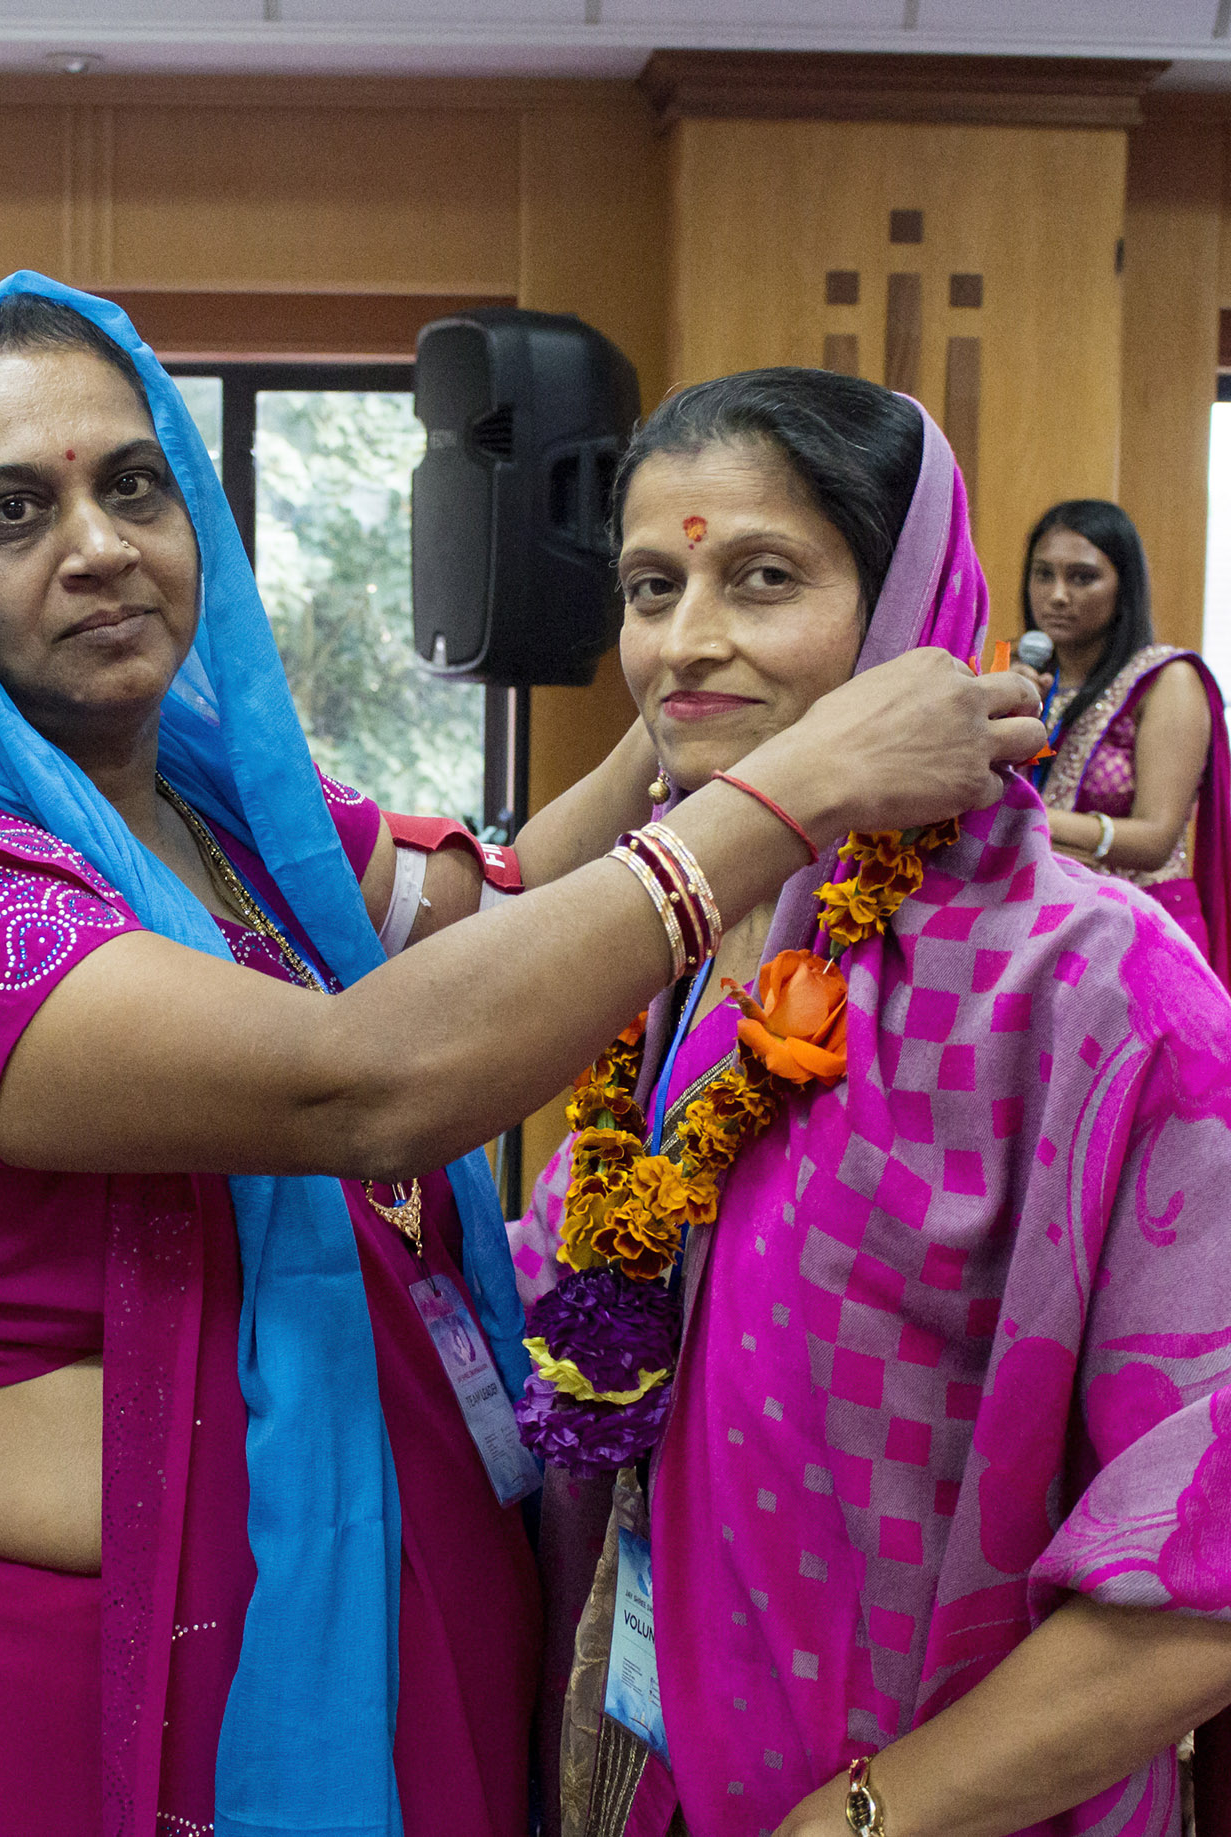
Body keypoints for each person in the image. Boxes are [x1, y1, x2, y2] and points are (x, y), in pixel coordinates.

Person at [0, 277, 1039, 1837]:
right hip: (59, 1682)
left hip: (375, 1574)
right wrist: (796, 789)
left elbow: (507, 905)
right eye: (12, 509)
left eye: (132, 482)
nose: (95, 544)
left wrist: (696, 688)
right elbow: (361, 1081)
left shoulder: (228, 819)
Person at [513, 370, 1231, 1837]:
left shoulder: (1096, 991)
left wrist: (855, 1826)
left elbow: (1200, 1575)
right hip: (630, 1768)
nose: (686, 642)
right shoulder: (655, 955)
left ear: (907, 606)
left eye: (762, 576)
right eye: (654, 585)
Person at [1019, 500, 1231, 987]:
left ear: (1124, 587)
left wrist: (1030, 821)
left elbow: (1155, 838)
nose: (1056, 596)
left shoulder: (1166, 679)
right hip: (1048, 925)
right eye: (1042, 574)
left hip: (1147, 934)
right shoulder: (1021, 678)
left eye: (1082, 577)